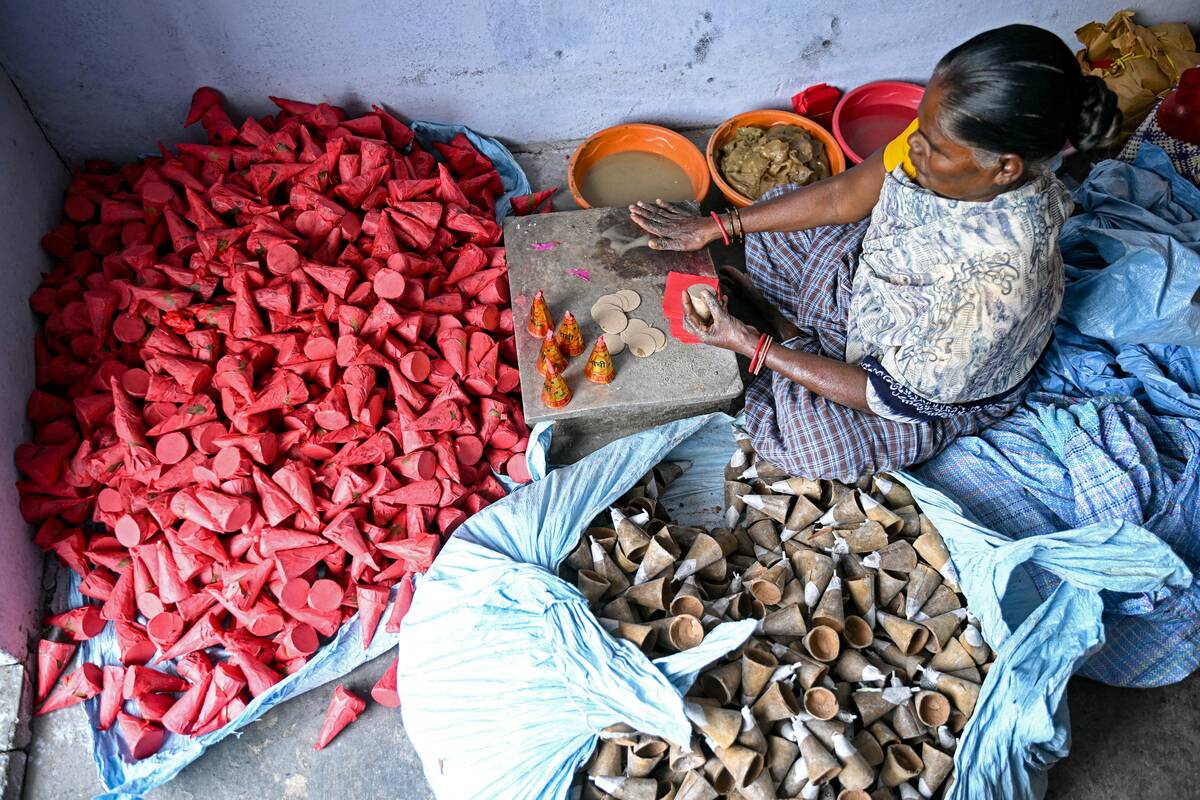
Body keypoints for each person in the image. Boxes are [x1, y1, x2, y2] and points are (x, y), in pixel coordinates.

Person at [630, 24, 1122, 480]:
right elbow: (845, 196)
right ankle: (796, 334)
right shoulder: (949, 140)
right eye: (920, 131)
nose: (915, 151)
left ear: (1007, 169)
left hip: (915, 388)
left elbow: (883, 393)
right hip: (879, 291)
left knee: (817, 444)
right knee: (778, 209)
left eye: (934, 148)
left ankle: (787, 331)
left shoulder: (995, 285)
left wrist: (751, 344)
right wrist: (717, 227)